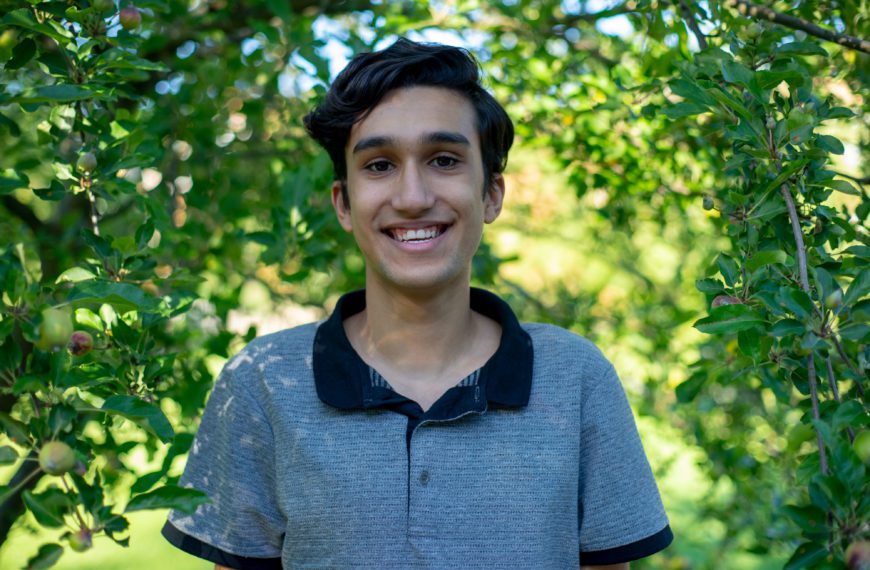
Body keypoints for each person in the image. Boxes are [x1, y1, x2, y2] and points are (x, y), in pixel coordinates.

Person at [162, 37, 673, 569]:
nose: (411, 197)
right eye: (379, 165)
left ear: (491, 194)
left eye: (444, 160)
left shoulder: (576, 377)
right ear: (343, 202)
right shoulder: (262, 382)